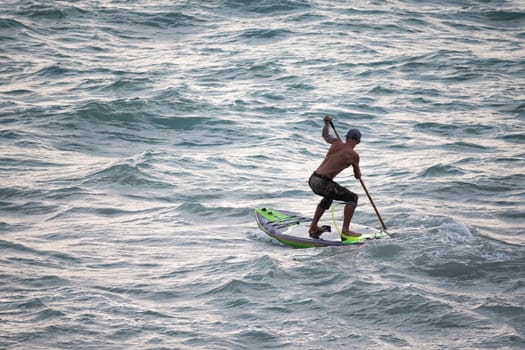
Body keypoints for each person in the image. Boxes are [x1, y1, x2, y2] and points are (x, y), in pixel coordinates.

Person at [308, 115, 362, 240]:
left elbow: (325, 136)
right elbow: (357, 175)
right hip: (323, 183)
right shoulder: (354, 155)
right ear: (358, 141)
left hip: (313, 179)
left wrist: (326, 123)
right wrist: (357, 170)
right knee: (353, 198)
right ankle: (345, 231)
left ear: (346, 137)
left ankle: (314, 226)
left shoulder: (336, 143)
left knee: (329, 197)